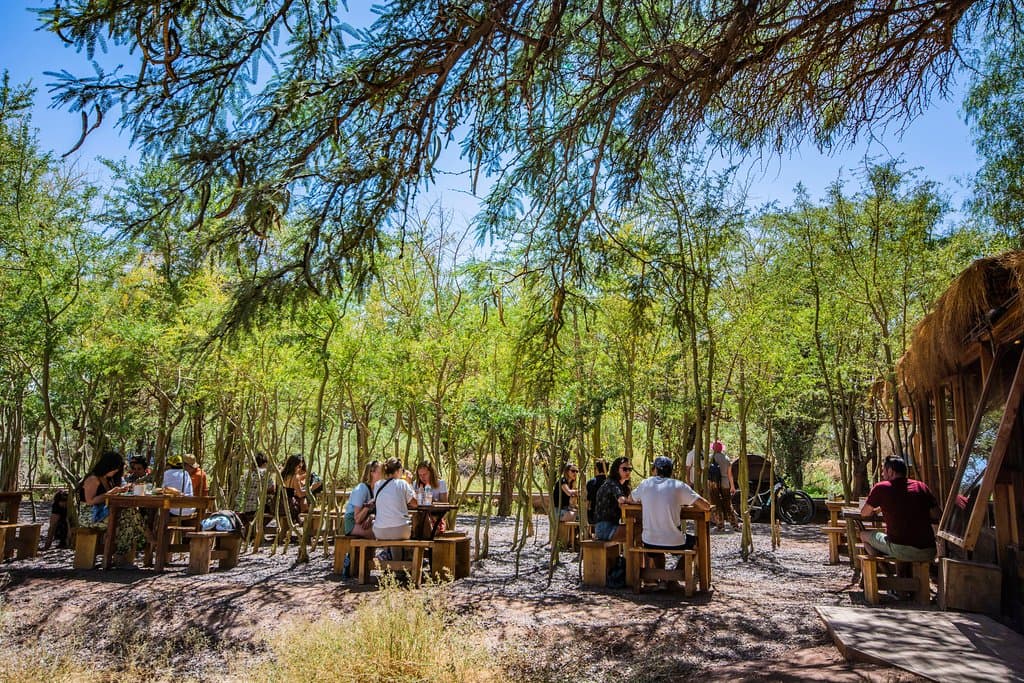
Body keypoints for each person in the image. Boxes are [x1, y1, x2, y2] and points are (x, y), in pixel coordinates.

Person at [630, 456, 711, 572]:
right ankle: (676, 576)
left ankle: (661, 579)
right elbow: (705, 506)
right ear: (671, 471)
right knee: (696, 543)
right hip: (674, 541)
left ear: (655, 470)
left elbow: (630, 499)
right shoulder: (678, 485)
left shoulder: (645, 484)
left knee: (655, 543)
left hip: (649, 541)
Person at [859, 456, 941, 562]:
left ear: (890, 471)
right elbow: (937, 515)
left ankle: (883, 567)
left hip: (901, 550)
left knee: (863, 535)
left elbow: (864, 513)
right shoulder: (921, 486)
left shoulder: (881, 488)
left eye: (884, 471)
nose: (883, 475)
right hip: (929, 551)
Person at [77, 450, 150, 566]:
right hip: (91, 515)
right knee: (127, 516)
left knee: (130, 513)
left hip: (105, 512)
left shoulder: (109, 479)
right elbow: (90, 501)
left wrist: (120, 491)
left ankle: (122, 555)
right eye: (115, 468)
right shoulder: (93, 479)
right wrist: (110, 494)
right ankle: (146, 538)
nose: (116, 471)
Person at [372, 458, 419, 552]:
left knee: (392, 528)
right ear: (398, 471)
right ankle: (408, 559)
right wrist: (409, 484)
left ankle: (390, 558)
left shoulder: (377, 485)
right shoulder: (402, 483)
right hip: (400, 530)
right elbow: (415, 504)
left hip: (380, 531)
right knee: (415, 527)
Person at [593, 457, 631, 541]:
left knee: (639, 529)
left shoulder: (620, 486)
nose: (628, 472)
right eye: (625, 469)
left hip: (610, 526)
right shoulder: (611, 483)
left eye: (629, 469)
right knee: (639, 530)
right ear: (616, 469)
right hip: (605, 529)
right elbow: (621, 500)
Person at [238, 452, 276, 531]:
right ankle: (258, 530)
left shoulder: (246, 473)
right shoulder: (265, 473)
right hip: (258, 507)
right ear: (265, 463)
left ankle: (252, 530)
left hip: (243, 507)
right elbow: (273, 489)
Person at [344, 459, 382, 537]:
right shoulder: (361, 489)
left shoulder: (376, 489)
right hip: (352, 523)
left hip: (365, 521)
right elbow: (357, 519)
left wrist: (372, 516)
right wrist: (367, 507)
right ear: (372, 473)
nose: (383, 474)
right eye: (380, 471)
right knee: (381, 532)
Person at [709, 440, 738, 531]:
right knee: (728, 503)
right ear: (721, 449)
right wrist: (732, 486)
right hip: (725, 483)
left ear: (713, 448)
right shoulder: (726, 458)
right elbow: (730, 474)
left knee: (716, 504)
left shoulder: (710, 458)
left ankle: (720, 525)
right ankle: (734, 524)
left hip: (713, 483)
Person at [585, 460, 608, 525]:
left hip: (594, 516)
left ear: (597, 469)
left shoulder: (591, 482)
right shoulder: (612, 483)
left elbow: (587, 502)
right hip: (609, 516)